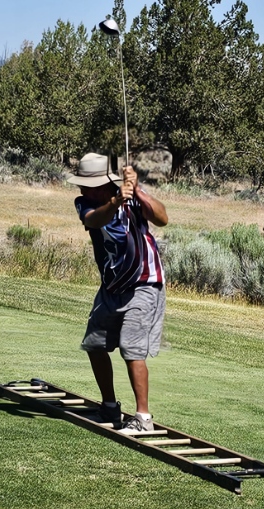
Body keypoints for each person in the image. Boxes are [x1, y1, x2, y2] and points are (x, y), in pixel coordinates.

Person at [69, 152, 170, 432]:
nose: (82, 189)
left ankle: (143, 418)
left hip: (144, 283)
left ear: (103, 184)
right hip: (112, 286)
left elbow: (162, 218)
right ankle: (109, 408)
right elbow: (94, 221)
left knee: (131, 347)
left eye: (87, 185)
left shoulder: (133, 195)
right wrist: (116, 202)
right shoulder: (84, 203)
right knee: (94, 344)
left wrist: (137, 191)